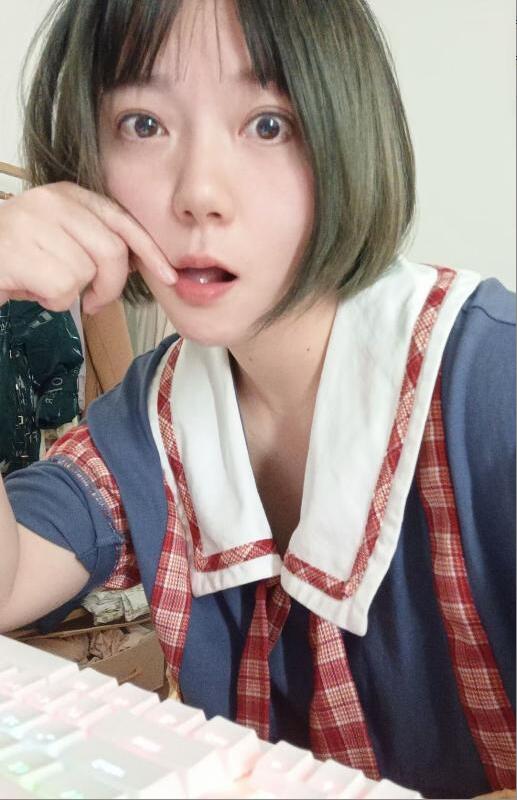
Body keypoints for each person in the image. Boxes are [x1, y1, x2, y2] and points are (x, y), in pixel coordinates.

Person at [0, 1, 514, 797]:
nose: (199, 194)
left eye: (268, 125)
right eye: (142, 124)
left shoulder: (493, 387)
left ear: (349, 139)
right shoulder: (153, 413)